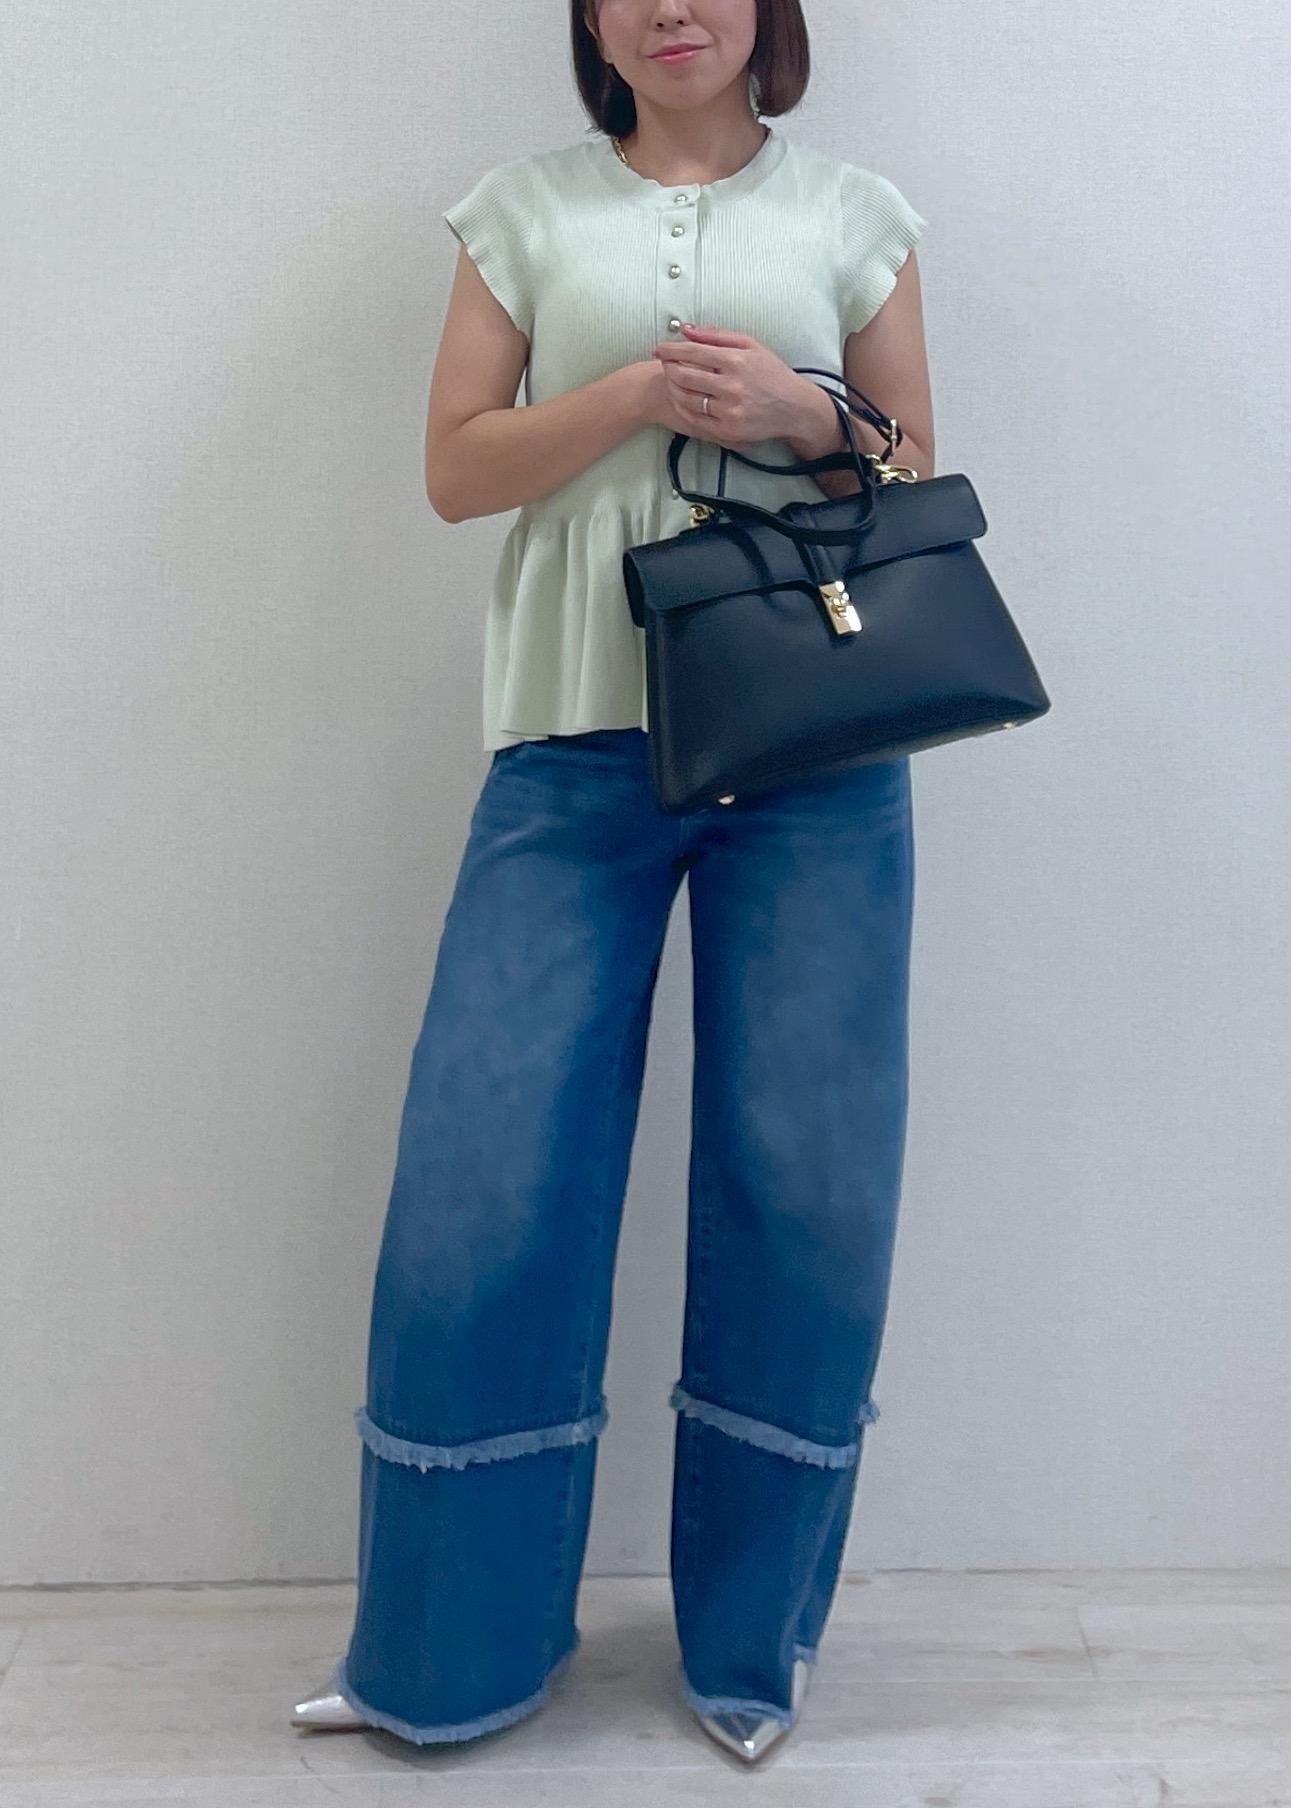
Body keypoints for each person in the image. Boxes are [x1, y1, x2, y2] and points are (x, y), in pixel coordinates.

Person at [292, 0, 932, 1765]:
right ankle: (444, 1655)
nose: (671, 8)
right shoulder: (521, 211)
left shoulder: (859, 215)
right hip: (573, 750)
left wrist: (805, 415)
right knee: (484, 1180)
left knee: (803, 1183)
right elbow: (455, 469)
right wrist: (636, 395)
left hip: (814, 759)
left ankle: (750, 1653)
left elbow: (916, 474)